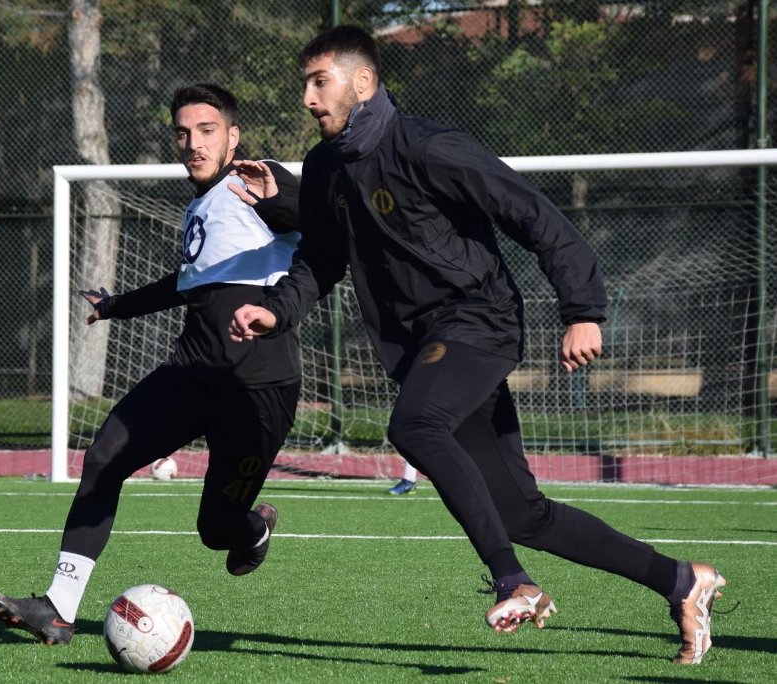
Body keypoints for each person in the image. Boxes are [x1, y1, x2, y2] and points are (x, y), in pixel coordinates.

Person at [229, 26, 726, 665]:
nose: (306, 98)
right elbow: (321, 259)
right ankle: (682, 583)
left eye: (318, 81)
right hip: (425, 348)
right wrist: (276, 310)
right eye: (304, 84)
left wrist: (582, 311)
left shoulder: (431, 147)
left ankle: (512, 580)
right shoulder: (326, 166)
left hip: (479, 322)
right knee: (523, 513)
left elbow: (535, 215)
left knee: (415, 423)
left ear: (362, 81)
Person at [0, 83, 302, 645]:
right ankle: (58, 609)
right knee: (104, 457)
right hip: (190, 374)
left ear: (233, 136)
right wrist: (115, 307)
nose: (193, 143)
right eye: (183, 132)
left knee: (216, 530)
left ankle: (253, 527)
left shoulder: (258, 180)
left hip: (258, 387)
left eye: (207, 131)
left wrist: (279, 198)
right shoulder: (198, 207)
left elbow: (313, 220)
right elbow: (184, 286)